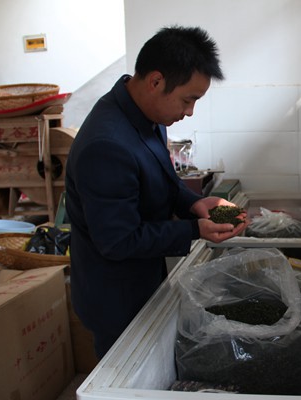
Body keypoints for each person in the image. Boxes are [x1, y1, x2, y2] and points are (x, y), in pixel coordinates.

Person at [65, 25, 249, 359]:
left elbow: (164, 181)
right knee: (124, 373)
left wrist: (196, 204)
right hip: (114, 296)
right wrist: (194, 230)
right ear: (155, 81)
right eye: (188, 100)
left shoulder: (147, 116)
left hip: (144, 275)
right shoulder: (106, 145)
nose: (189, 111)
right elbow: (118, 240)